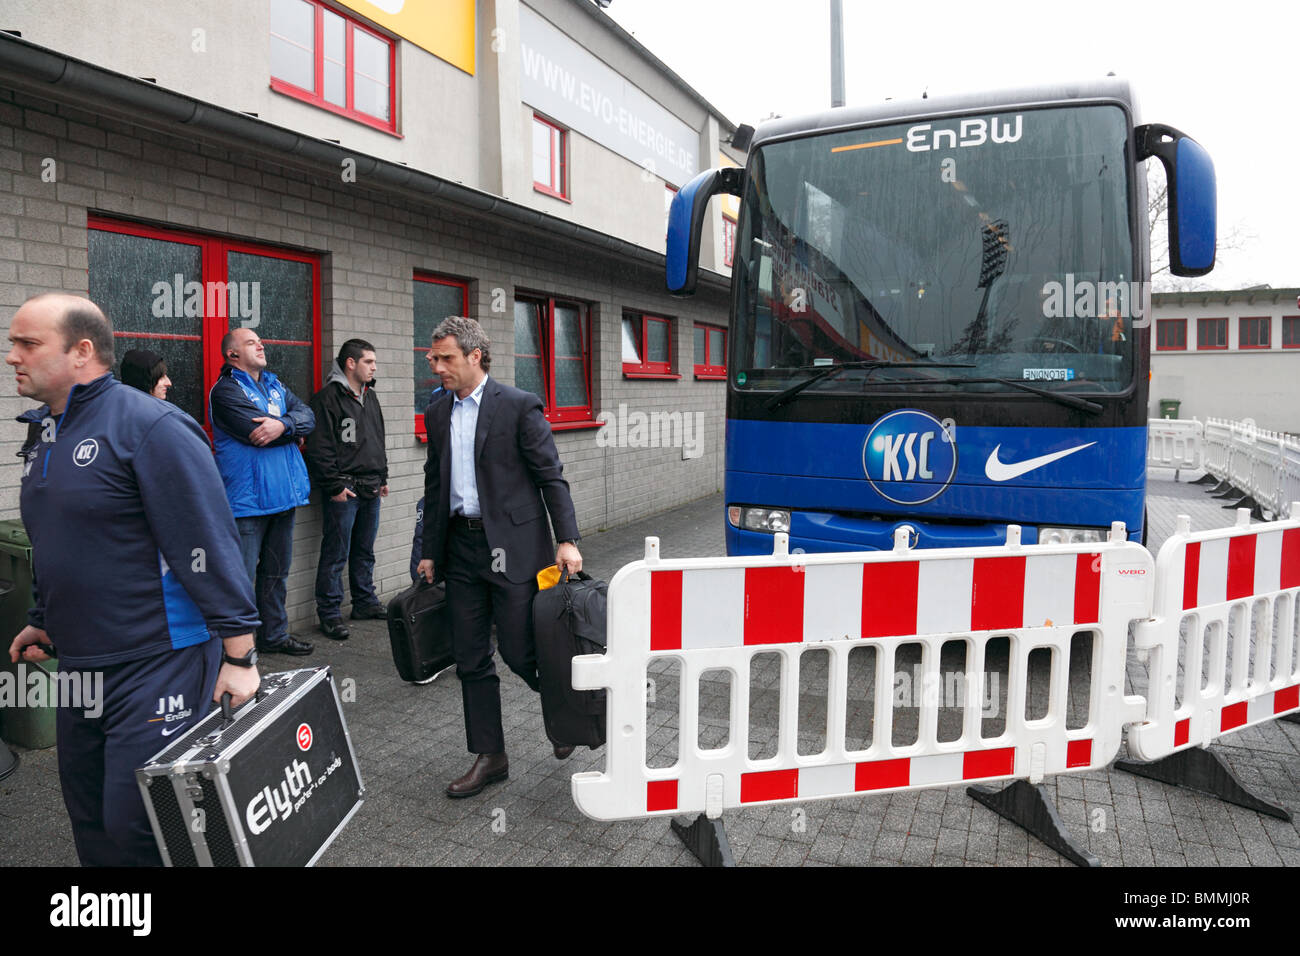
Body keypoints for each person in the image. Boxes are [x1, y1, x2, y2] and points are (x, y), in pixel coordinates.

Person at [6, 293, 261, 866]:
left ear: (82, 351)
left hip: (157, 661)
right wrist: (42, 619)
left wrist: (240, 657)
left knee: (140, 826)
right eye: (13, 343)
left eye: (27, 343)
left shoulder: (150, 425)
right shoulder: (43, 432)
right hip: (79, 667)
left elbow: (208, 541)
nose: (12, 356)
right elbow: (58, 538)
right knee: (91, 820)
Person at [417, 316, 583, 797]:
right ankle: (490, 756)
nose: (437, 366)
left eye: (445, 357)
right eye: (434, 357)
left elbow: (551, 476)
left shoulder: (517, 406)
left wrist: (567, 539)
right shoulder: (436, 412)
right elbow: (435, 484)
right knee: (470, 657)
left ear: (475, 356)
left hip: (512, 548)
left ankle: (569, 715)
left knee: (518, 649)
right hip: (460, 549)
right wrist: (430, 551)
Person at [208, 328, 315, 656]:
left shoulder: (274, 384)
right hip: (247, 503)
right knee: (238, 579)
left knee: (276, 574)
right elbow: (254, 432)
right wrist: (288, 427)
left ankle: (275, 636)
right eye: (252, 342)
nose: (261, 345)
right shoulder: (225, 391)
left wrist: (283, 425)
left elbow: (308, 416)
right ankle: (235, 650)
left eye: (260, 341)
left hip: (283, 497)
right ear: (232, 354)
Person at [304, 339, 389, 639]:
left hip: (371, 486)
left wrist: (383, 476)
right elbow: (319, 447)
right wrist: (334, 485)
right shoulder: (327, 399)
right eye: (369, 361)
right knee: (335, 553)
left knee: (365, 551)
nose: (374, 367)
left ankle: (364, 602)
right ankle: (329, 614)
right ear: (351, 363)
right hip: (346, 491)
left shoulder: (370, 396)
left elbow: (377, 436)